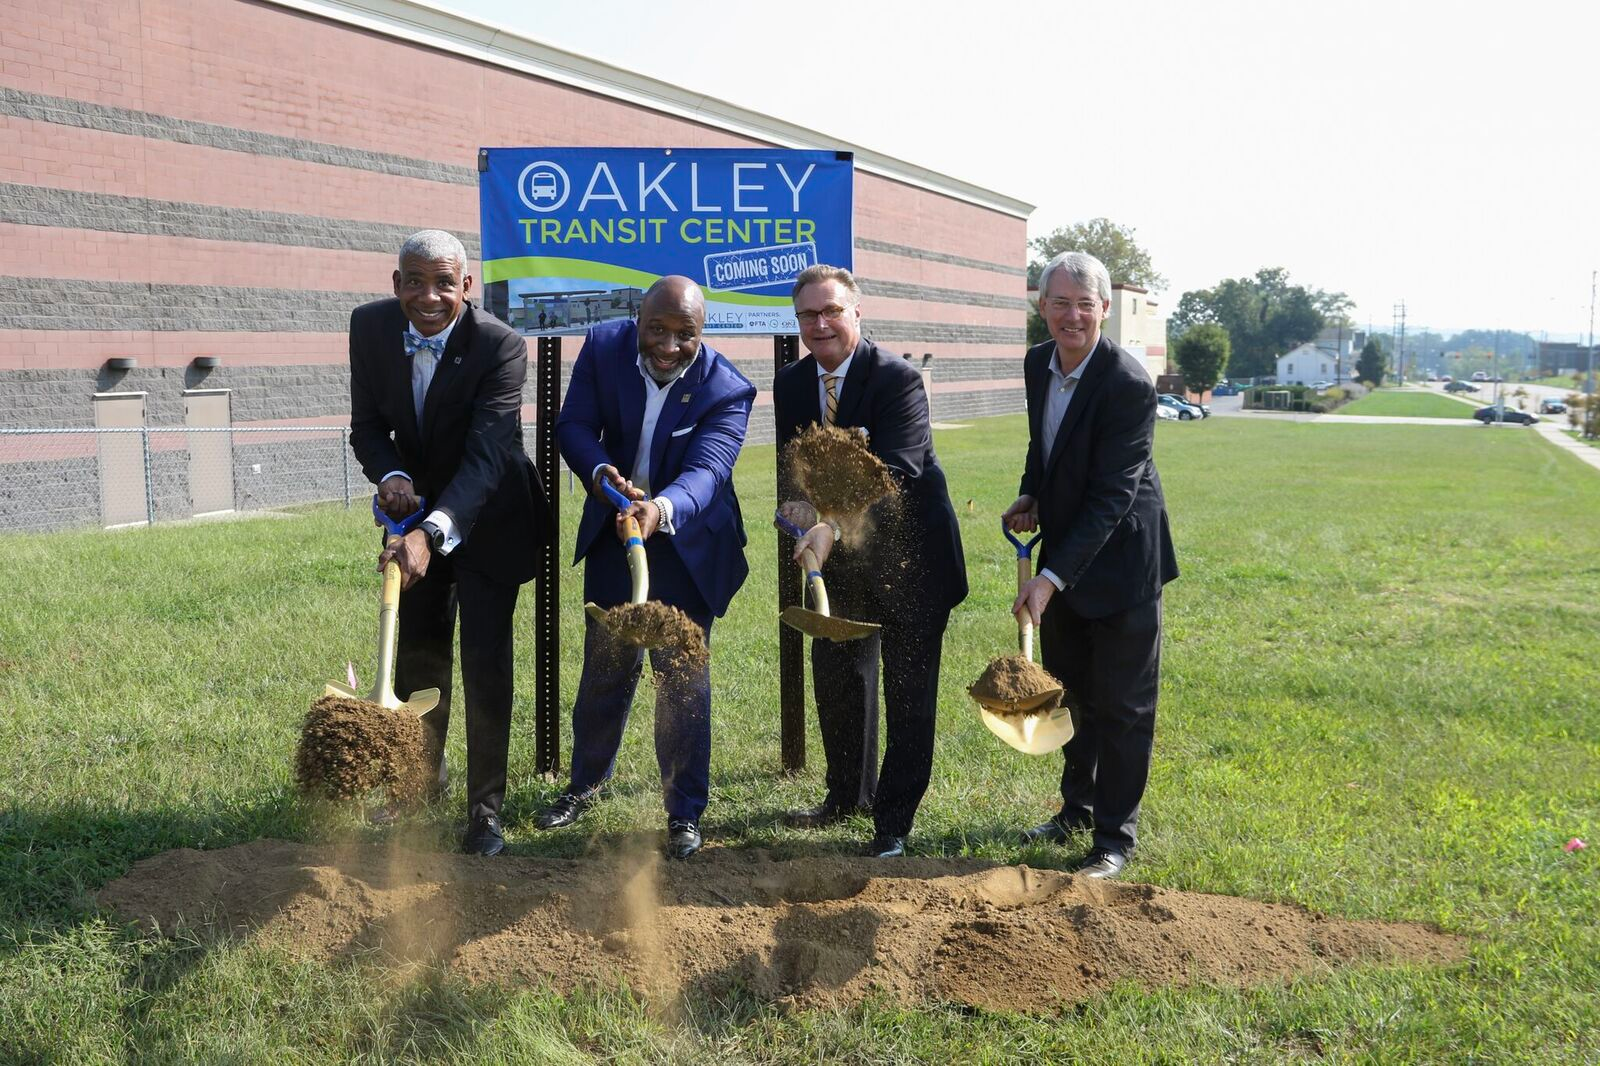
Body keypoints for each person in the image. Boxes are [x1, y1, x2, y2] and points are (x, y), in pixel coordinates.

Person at [348, 229, 551, 857]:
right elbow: (368, 427)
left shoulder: (500, 345)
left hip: (489, 518)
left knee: (485, 665)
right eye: (414, 281)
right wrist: (394, 477)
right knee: (419, 659)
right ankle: (415, 789)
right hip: (412, 516)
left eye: (443, 282)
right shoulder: (369, 329)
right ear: (396, 284)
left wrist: (431, 535)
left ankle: (485, 812)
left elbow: (489, 455)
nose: (428, 295)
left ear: (466, 286)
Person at [537, 276, 755, 860]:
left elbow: (708, 473)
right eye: (657, 329)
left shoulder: (728, 390)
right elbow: (574, 427)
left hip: (686, 541)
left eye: (685, 334)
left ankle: (684, 812)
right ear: (639, 320)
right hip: (617, 528)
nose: (668, 344)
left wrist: (660, 508)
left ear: (701, 333)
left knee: (682, 681)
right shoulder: (604, 348)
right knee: (607, 666)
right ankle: (584, 786)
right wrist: (602, 472)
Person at [773, 265, 967, 858]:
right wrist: (798, 519)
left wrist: (830, 524)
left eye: (832, 311)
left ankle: (893, 822)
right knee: (837, 679)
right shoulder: (791, 383)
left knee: (908, 690)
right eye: (809, 314)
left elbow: (898, 472)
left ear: (857, 314)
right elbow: (793, 469)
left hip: (913, 558)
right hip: (839, 563)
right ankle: (844, 796)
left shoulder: (898, 380)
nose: (820, 323)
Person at [1002, 251, 1179, 880]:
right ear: (1041, 307)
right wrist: (1033, 492)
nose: (1072, 315)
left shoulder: (1128, 383)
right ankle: (1075, 808)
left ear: (1105, 309)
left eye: (1085, 303)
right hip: (1067, 554)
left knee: (1124, 706)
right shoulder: (1036, 365)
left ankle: (1113, 840)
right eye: (1060, 302)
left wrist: (1049, 580)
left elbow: (1114, 494)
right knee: (1072, 694)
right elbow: (1044, 444)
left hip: (1124, 562)